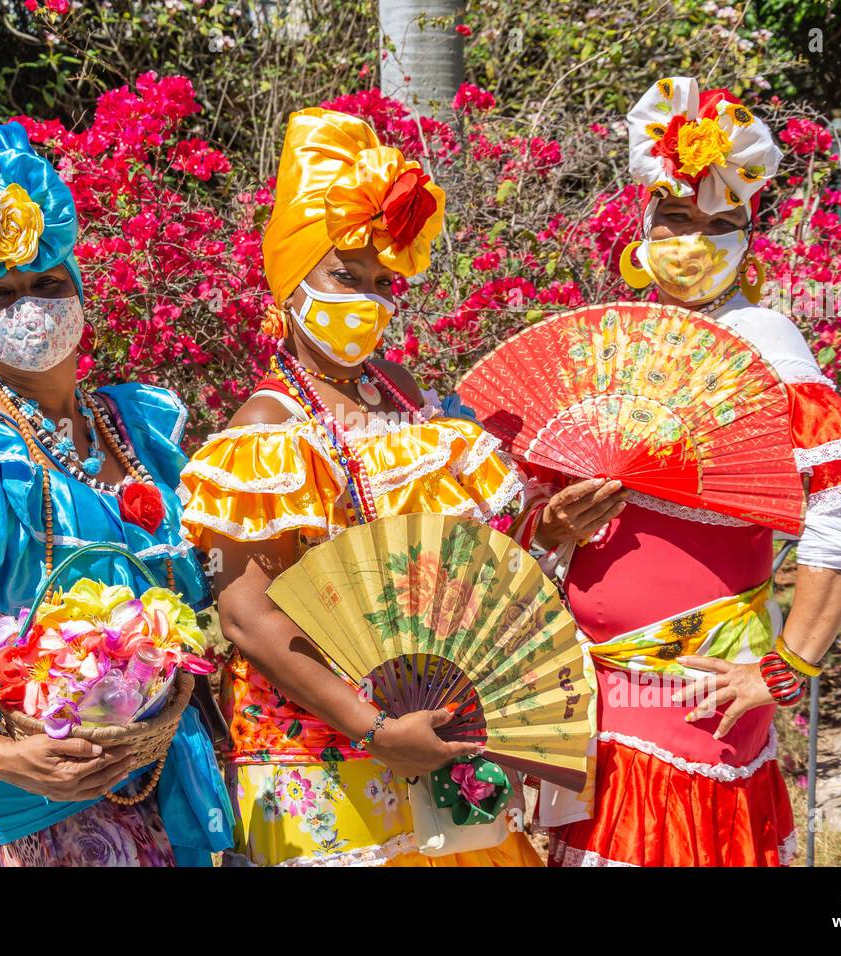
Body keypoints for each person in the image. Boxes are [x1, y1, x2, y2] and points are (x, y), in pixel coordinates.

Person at [514, 78, 841, 866]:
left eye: (722, 225)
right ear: (642, 232)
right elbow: (536, 504)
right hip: (590, 685)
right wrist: (551, 524)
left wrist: (784, 671)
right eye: (677, 218)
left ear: (749, 243)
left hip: (695, 690)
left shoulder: (763, 337)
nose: (696, 239)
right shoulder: (611, 341)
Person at [179, 107, 542, 866]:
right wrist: (376, 729)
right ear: (292, 276)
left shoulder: (402, 395)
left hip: (433, 742)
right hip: (317, 760)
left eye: (384, 282)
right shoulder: (265, 426)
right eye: (346, 275)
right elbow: (247, 618)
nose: (368, 300)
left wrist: (556, 527)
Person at [0, 122, 232, 867]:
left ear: (81, 296)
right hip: (58, 792)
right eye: (1, 294)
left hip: (179, 760)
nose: (28, 307)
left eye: (46, 285)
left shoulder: (137, 424)